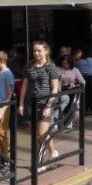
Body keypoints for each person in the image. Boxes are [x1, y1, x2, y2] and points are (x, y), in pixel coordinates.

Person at [19, 41, 61, 169]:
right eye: (34, 51)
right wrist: (21, 104)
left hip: (45, 104)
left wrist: (48, 105)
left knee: (42, 134)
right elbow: (25, 85)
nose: (36, 53)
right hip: (31, 103)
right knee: (37, 134)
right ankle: (53, 152)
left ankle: (39, 161)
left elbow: (54, 88)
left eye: (39, 50)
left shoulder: (51, 67)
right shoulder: (29, 67)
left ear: (46, 51)